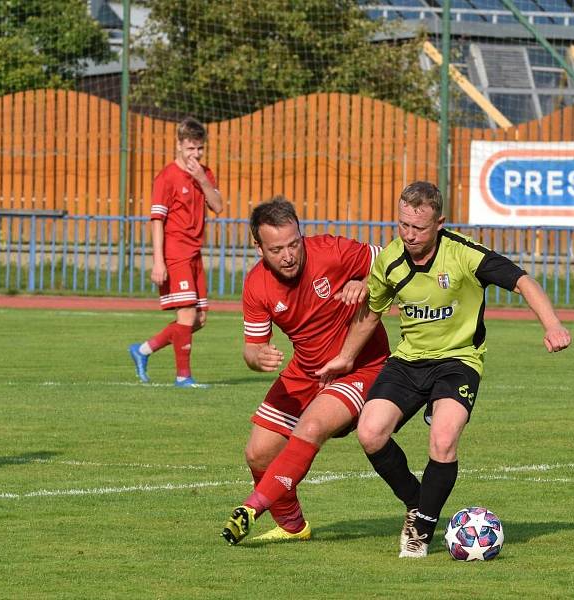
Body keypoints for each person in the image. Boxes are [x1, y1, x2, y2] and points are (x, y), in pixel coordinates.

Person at [315, 181, 571, 558]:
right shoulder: (390, 260)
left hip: (458, 362)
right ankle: (419, 504)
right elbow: (371, 312)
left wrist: (552, 324)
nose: (409, 234)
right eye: (402, 225)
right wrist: (346, 357)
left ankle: (421, 531)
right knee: (370, 434)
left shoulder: (464, 254)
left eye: (418, 227)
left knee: (444, 438)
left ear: (440, 223)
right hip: (408, 360)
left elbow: (522, 281)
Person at [221, 196, 389, 545]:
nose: (289, 255)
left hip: (360, 365)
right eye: (277, 249)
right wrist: (256, 357)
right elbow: (252, 347)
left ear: (301, 235)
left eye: (294, 244)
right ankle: (293, 526)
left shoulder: (331, 250)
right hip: (307, 368)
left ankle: (251, 508)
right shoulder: (256, 285)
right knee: (258, 452)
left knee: (311, 425)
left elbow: (392, 261)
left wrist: (366, 281)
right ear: (259, 247)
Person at [128, 117, 222, 388]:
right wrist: (158, 261)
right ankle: (183, 377)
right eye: (190, 148)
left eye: (200, 149)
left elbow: (218, 206)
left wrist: (202, 179)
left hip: (195, 254)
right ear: (179, 145)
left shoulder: (204, 173)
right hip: (175, 252)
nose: (196, 154)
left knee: (200, 319)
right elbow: (157, 220)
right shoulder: (167, 177)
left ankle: (143, 350)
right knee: (187, 316)